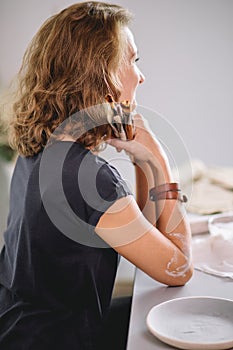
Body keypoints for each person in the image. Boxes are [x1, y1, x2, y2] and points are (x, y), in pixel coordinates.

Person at [0, 2, 193, 349]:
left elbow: (146, 229)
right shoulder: (89, 180)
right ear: (103, 78)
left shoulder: (37, 148)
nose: (141, 75)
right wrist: (161, 160)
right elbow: (177, 268)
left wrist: (143, 159)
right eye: (133, 61)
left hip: (15, 324)